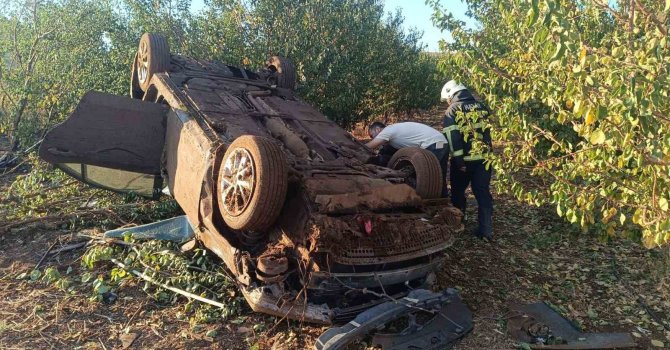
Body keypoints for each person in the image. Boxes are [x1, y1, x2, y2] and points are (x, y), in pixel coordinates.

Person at [441, 80, 494, 240]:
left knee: (457, 192)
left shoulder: (453, 110)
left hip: (464, 162)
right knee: (482, 193)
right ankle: (486, 231)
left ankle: (458, 223)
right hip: (484, 160)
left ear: (452, 94)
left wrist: (459, 162)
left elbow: (453, 137)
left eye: (448, 99)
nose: (448, 102)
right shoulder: (482, 107)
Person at [366, 121, 449, 197]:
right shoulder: (394, 135)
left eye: (372, 135)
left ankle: (422, 200)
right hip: (440, 142)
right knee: (440, 175)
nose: (372, 138)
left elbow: (370, 146)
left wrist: (355, 148)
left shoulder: (387, 131)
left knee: (426, 176)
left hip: (433, 143)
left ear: (377, 129)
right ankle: (444, 200)